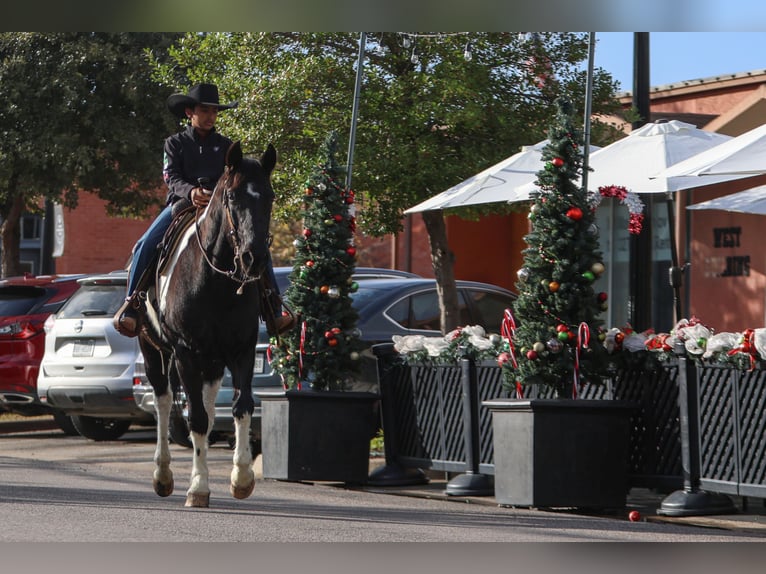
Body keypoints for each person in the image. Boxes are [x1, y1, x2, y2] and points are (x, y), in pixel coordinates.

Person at [114, 83, 293, 338]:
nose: (210, 116)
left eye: (214, 112)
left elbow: (235, 181)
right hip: (183, 205)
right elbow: (170, 176)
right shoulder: (174, 144)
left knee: (256, 245)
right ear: (190, 112)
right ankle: (131, 305)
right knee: (145, 243)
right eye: (204, 110)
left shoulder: (227, 146)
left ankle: (274, 308)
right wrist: (190, 192)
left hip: (220, 208)